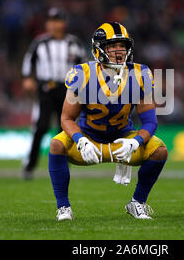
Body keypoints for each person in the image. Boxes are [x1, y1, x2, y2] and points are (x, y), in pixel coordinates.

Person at [48, 22, 168, 220]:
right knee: (56, 145)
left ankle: (137, 202)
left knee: (160, 150)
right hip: (89, 142)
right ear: (98, 49)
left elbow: (150, 122)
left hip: (123, 141)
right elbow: (66, 118)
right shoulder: (82, 74)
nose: (118, 51)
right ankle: (63, 207)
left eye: (122, 46)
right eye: (112, 46)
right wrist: (80, 139)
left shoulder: (140, 74)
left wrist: (135, 141)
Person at [21, 7, 87, 180]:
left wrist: (83, 86)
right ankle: (29, 165)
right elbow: (29, 61)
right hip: (46, 89)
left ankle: (63, 165)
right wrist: (28, 77)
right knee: (40, 126)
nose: (52, 25)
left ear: (63, 23)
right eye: (50, 21)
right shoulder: (40, 42)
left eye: (56, 21)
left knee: (65, 127)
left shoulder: (74, 43)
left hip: (68, 90)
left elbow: (85, 65)